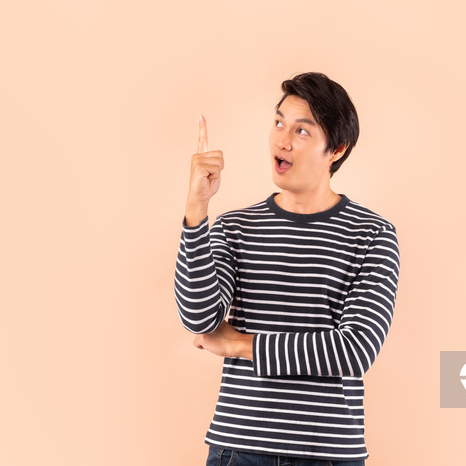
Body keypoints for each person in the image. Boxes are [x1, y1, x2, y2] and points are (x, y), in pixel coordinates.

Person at [175, 72, 400, 466]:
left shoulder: (372, 234)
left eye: (302, 131)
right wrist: (197, 209)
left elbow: (355, 348)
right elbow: (199, 317)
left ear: (337, 149)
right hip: (239, 449)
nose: (282, 139)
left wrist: (239, 345)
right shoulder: (235, 228)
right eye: (279, 123)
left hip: (329, 455)